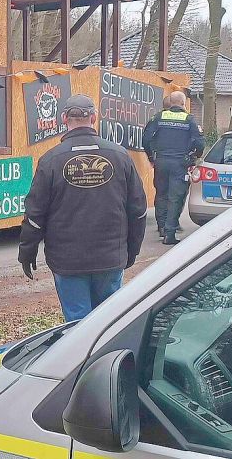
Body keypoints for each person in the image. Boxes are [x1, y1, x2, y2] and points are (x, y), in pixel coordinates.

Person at [19, 94, 148, 322]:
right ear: (94, 118)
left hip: (68, 261)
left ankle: (81, 358)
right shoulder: (120, 156)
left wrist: (27, 252)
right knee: (109, 323)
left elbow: (35, 215)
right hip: (110, 257)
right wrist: (132, 250)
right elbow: (138, 210)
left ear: (63, 119)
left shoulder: (51, 160)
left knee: (77, 327)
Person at [142, 91, 205, 245]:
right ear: (183, 103)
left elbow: (146, 138)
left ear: (170, 103)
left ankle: (162, 227)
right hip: (180, 163)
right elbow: (199, 142)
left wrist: (151, 157)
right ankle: (169, 234)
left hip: (161, 161)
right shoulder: (189, 120)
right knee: (175, 197)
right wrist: (194, 157)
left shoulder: (159, 117)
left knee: (161, 194)